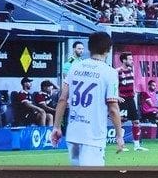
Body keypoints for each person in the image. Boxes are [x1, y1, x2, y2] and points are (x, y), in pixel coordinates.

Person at [50, 29, 124, 167]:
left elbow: (62, 99)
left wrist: (56, 127)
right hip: (93, 136)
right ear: (108, 49)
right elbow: (113, 108)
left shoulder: (75, 68)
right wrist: (119, 135)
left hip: (73, 135)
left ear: (89, 48)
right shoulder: (109, 72)